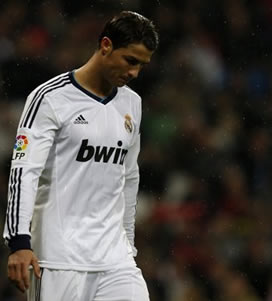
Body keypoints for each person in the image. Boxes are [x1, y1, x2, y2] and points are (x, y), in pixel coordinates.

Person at [3, 11, 158, 300]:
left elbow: (128, 176)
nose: (135, 73)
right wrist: (19, 241)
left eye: (142, 65)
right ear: (106, 46)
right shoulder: (49, 99)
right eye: (131, 61)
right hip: (59, 258)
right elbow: (24, 171)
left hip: (115, 259)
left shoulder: (132, 104)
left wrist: (129, 246)